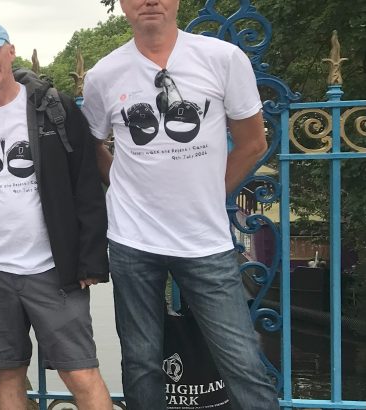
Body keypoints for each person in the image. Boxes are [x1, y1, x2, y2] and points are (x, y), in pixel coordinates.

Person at [81, 0, 277, 407]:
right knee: (140, 363)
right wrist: (119, 185)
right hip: (132, 243)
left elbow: (253, 142)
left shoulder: (222, 58)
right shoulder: (103, 75)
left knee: (242, 362)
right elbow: (92, 144)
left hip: (204, 242)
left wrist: (210, 192)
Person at [0, 21, 113, 409]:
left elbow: (85, 184)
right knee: (7, 373)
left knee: (80, 371)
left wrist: (90, 258)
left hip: (53, 268)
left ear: (10, 51)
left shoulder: (54, 108)